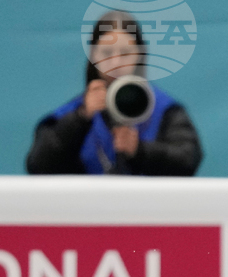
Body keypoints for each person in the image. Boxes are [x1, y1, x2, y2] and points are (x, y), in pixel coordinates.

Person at [26, 11, 202, 176]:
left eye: (125, 53)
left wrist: (140, 150)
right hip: (88, 206)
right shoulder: (73, 113)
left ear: (139, 55)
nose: (116, 62)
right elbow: (38, 165)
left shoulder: (164, 110)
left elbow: (188, 160)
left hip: (150, 207)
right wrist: (80, 118)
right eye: (107, 53)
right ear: (93, 56)